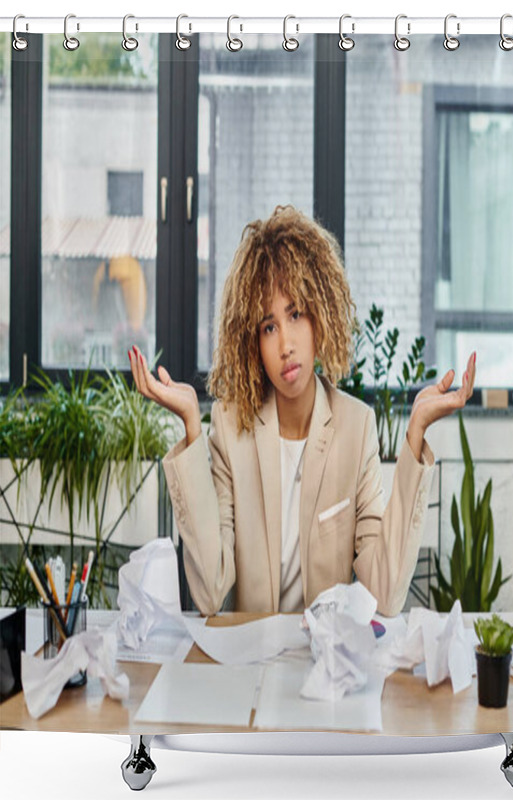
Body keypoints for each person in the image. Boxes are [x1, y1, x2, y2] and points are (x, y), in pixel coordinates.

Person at [129, 205, 476, 617]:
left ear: (321, 316)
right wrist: (191, 426)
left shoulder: (356, 427)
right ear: (252, 343)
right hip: (251, 666)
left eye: (295, 315)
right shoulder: (229, 426)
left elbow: (383, 593)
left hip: (325, 668)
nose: (285, 345)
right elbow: (208, 593)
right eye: (269, 326)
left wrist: (416, 432)